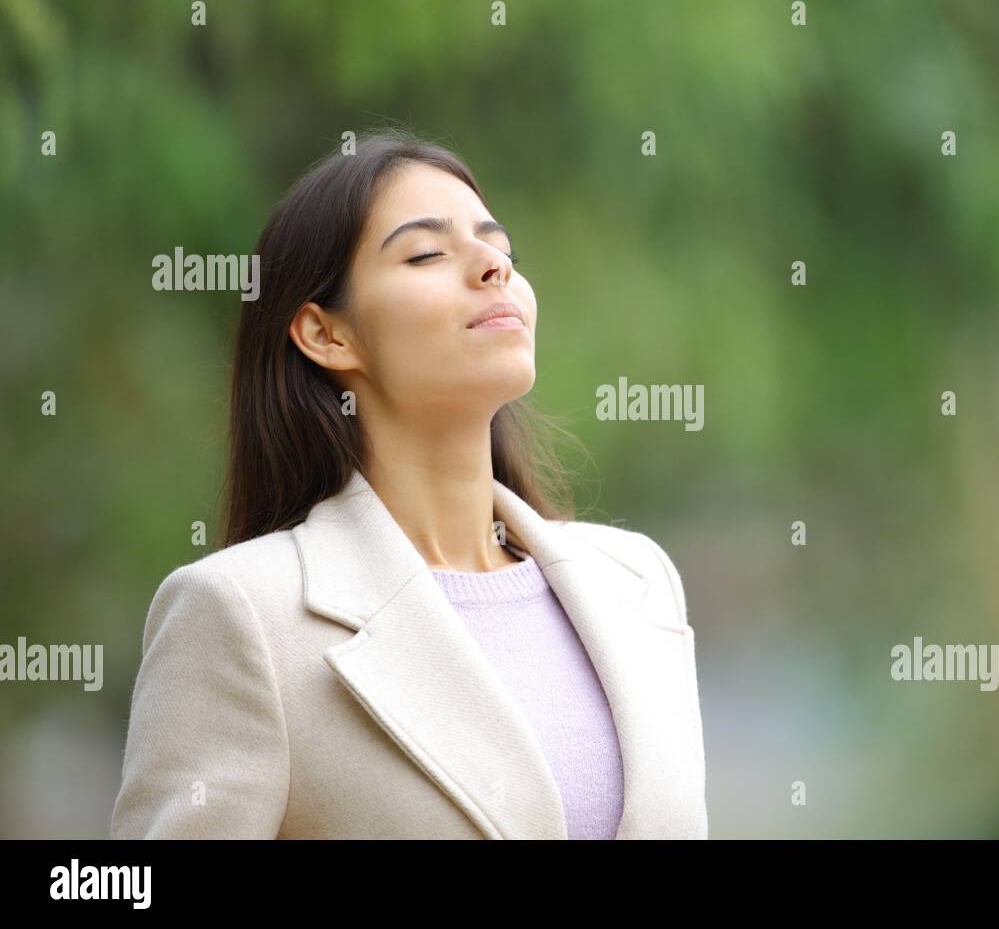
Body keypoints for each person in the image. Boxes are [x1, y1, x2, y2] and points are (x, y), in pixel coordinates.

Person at [109, 131, 707, 839]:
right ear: (326, 335)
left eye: (503, 250)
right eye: (427, 254)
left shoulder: (637, 583)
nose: (494, 268)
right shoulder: (242, 616)